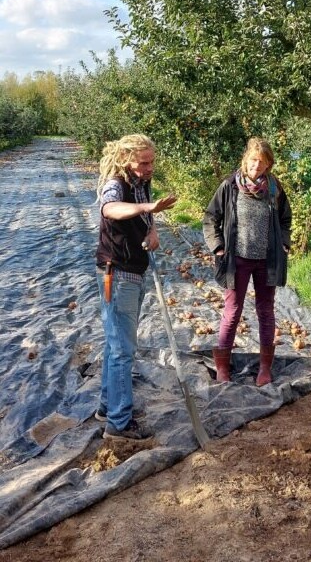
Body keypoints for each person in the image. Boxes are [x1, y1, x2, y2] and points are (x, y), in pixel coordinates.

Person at [95, 134, 177, 441]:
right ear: (127, 160)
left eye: (152, 161)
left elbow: (146, 214)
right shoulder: (117, 183)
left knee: (115, 345)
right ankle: (118, 423)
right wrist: (146, 206)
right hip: (117, 275)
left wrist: (153, 228)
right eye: (143, 162)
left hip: (134, 270)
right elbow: (111, 209)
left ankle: (108, 407)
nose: (149, 167)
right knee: (121, 351)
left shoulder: (141, 182)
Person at [203, 137, 292, 386]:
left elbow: (286, 219)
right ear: (246, 160)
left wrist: (284, 243)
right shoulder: (230, 186)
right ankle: (222, 366)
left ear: (268, 165)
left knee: (266, 311)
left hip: (268, 260)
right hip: (237, 259)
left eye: (262, 162)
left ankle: (265, 368)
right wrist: (218, 247)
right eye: (253, 160)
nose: (256, 166)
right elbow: (211, 217)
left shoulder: (274, 188)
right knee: (232, 312)